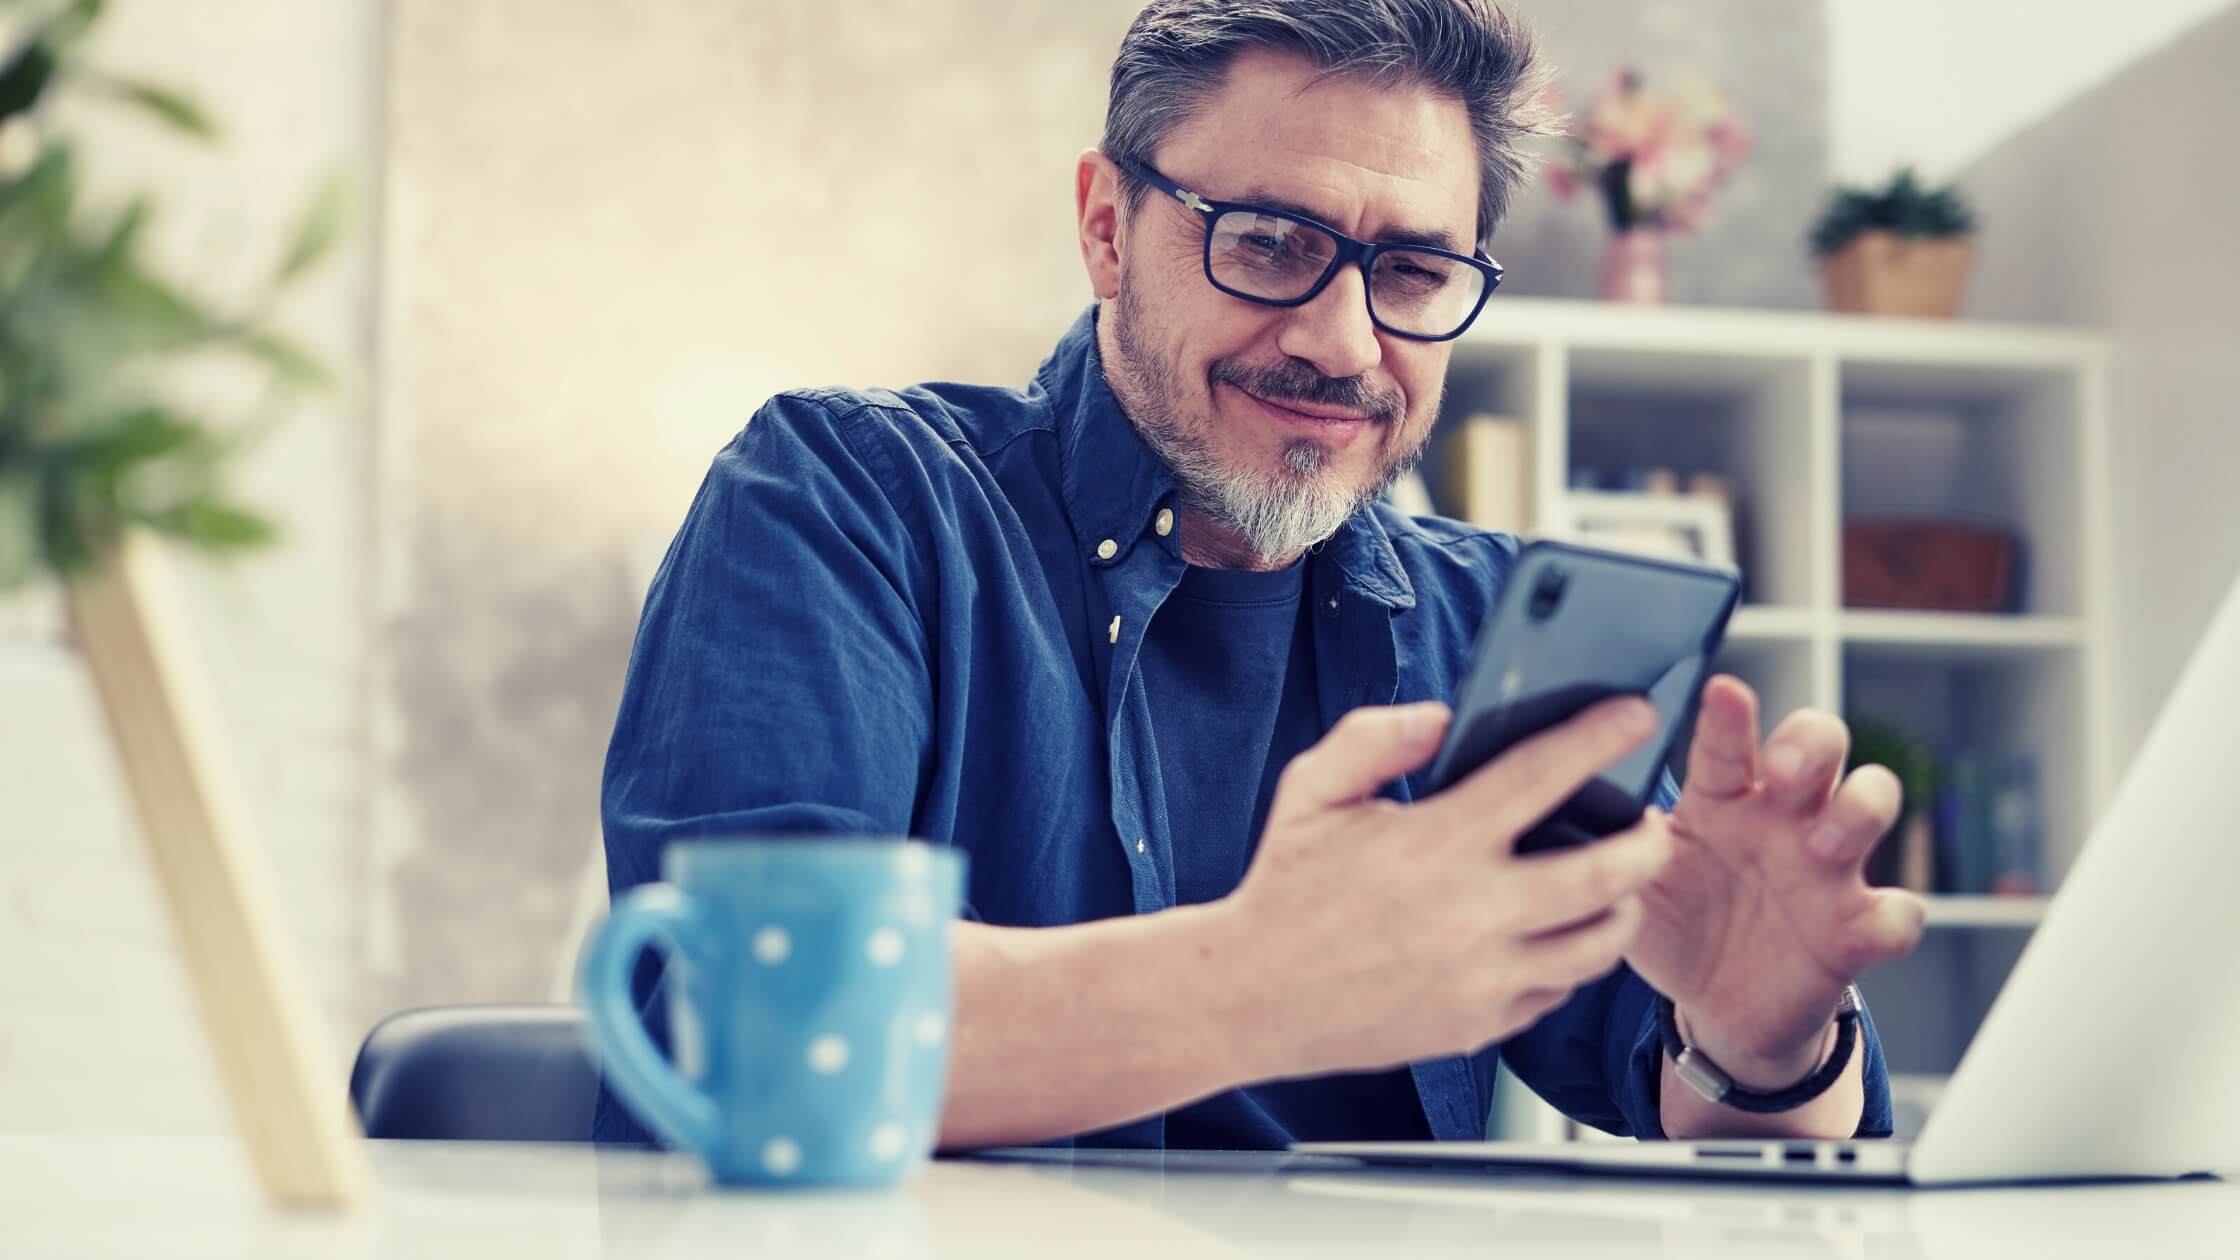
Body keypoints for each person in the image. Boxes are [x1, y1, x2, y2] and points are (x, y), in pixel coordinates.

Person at [596, 0, 1925, 1151]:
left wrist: (1764, 1041)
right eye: (1269, 242)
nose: (1344, 345)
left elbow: (1724, 1131)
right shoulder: (846, 501)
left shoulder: (1490, 626)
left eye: (1411, 271)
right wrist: (1266, 980)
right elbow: (752, 1035)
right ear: (1108, 228)